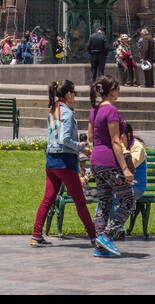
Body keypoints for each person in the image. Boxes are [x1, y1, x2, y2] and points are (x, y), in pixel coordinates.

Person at [30, 79, 99, 248]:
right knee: (80, 201)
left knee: (48, 199)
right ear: (68, 94)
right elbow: (65, 139)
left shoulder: (53, 110)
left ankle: (36, 235)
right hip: (65, 162)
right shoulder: (67, 113)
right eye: (74, 92)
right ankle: (93, 236)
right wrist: (81, 147)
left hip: (51, 161)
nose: (75, 95)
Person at [88, 76, 135, 255]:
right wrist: (125, 168)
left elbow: (91, 137)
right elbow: (116, 141)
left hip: (96, 161)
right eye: (118, 88)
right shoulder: (111, 111)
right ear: (112, 90)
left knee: (104, 202)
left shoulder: (95, 109)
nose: (119, 91)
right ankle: (107, 236)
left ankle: (100, 246)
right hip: (109, 162)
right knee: (128, 199)